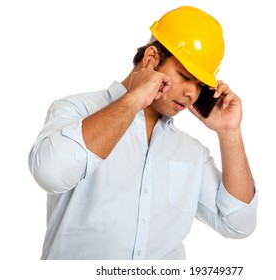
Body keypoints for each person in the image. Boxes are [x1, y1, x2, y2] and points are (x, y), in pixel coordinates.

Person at [28, 6, 258, 260]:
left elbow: (238, 224)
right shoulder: (76, 110)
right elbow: (50, 174)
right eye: (184, 76)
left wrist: (229, 132)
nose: (192, 93)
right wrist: (135, 97)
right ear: (151, 58)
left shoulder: (192, 152)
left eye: (200, 85)